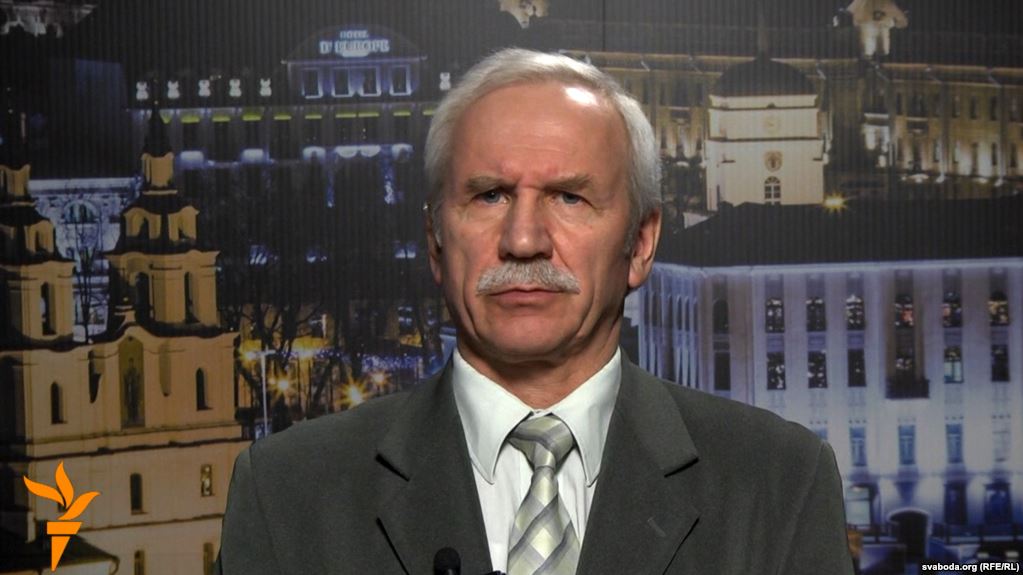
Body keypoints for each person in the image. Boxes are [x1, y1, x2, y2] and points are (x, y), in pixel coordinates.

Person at [218, 48, 853, 575]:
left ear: (640, 244)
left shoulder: (779, 484)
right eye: (489, 196)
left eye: (569, 198)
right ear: (436, 241)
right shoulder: (287, 495)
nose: (523, 240)